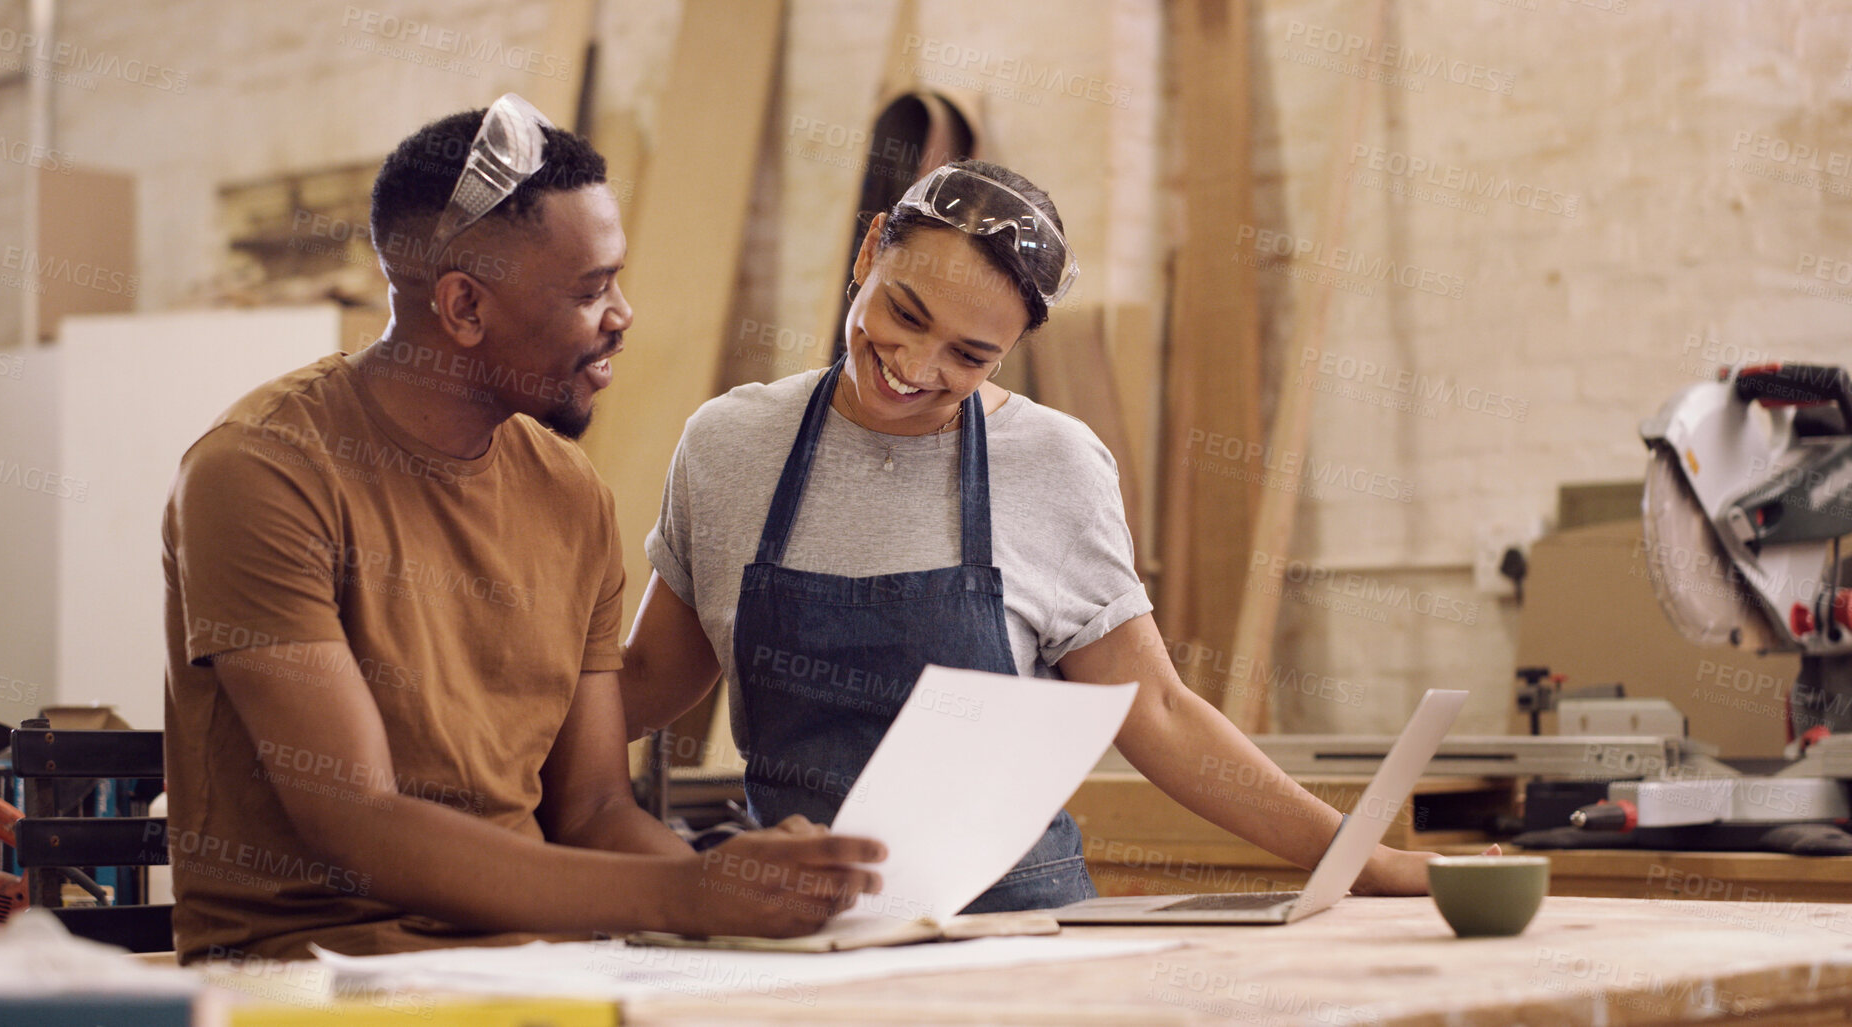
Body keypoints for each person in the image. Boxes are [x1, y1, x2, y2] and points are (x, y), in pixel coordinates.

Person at [621, 159, 1459, 912]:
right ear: (869, 248)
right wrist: (501, 765)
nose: (914, 366)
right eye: (903, 312)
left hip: (1019, 928)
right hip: (805, 924)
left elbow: (1157, 710)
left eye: (969, 355)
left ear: (1011, 348)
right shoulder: (729, 443)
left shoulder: (1053, 465)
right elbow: (652, 675)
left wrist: (1362, 860)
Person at [161, 96, 881, 963]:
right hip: (308, 974)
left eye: (615, 278)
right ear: (463, 306)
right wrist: (691, 893)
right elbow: (358, 820)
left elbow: (593, 813)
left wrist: (765, 896)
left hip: (533, 966)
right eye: (589, 290)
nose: (621, 314)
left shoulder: (569, 491)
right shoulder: (261, 472)